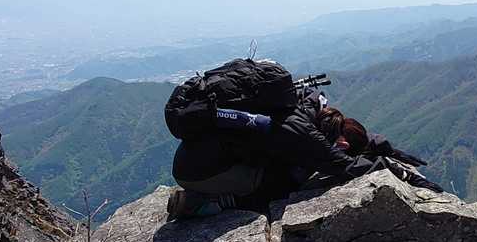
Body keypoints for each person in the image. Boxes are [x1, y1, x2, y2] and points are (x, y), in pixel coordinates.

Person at [165, 87, 440, 220]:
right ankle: (210, 202)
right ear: (342, 144)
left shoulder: (306, 108)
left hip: (193, 154)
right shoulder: (308, 140)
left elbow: (353, 138)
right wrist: (402, 172)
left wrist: (386, 147)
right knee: (285, 184)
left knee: (285, 164)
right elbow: (347, 167)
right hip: (200, 171)